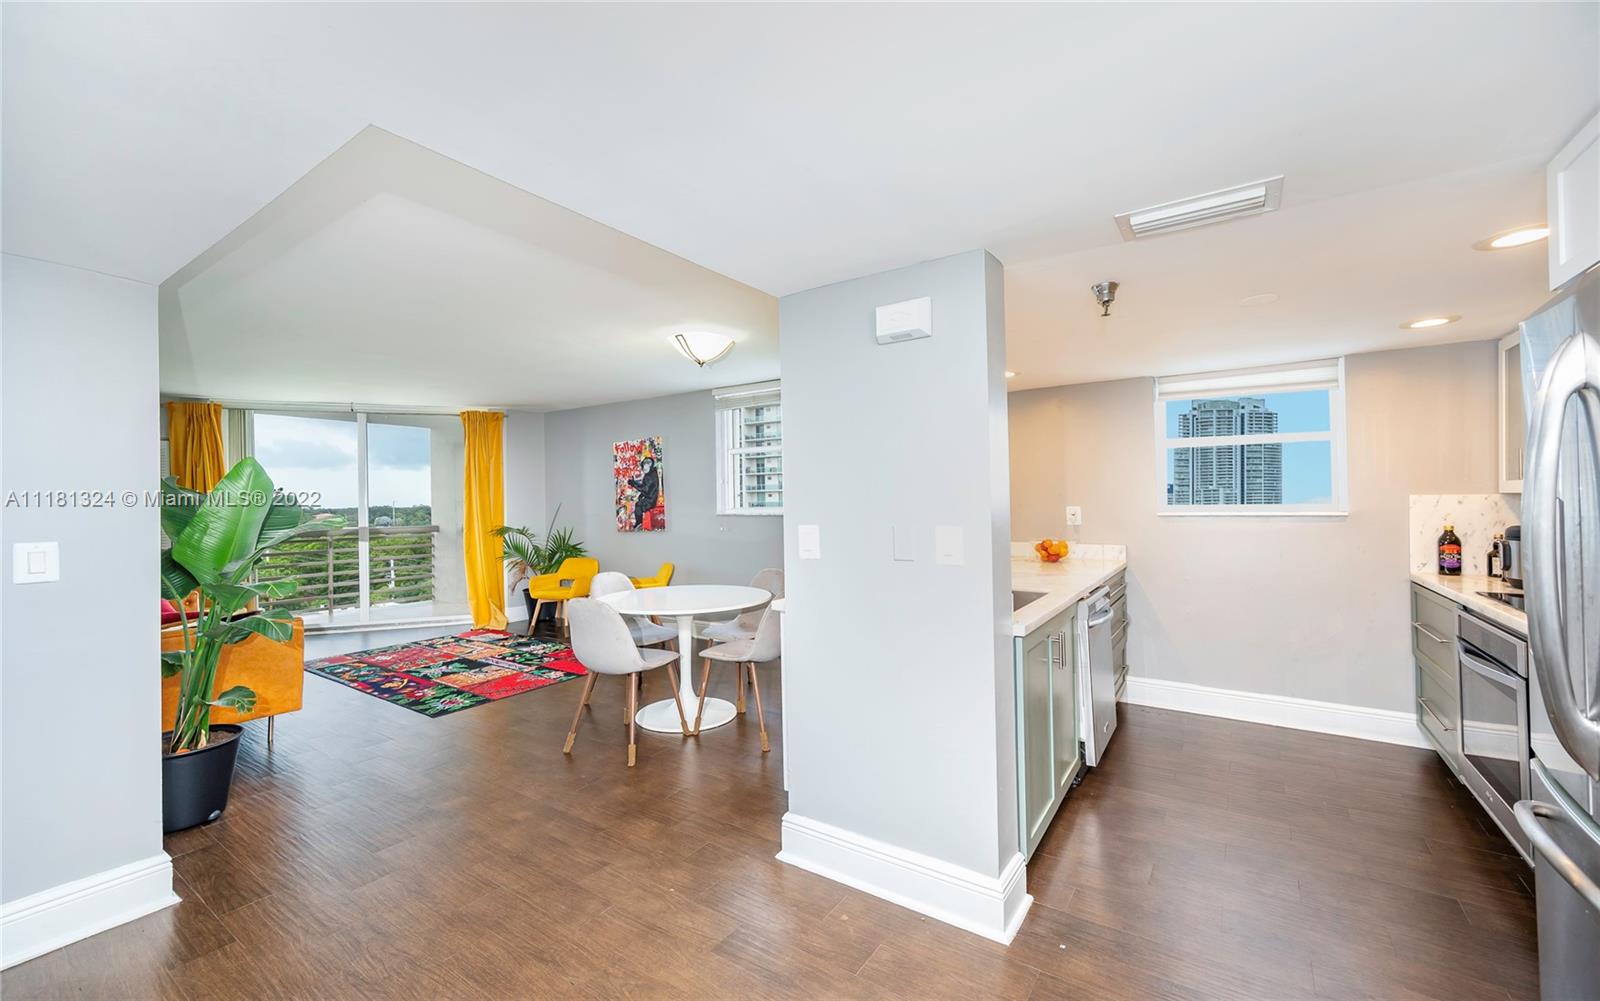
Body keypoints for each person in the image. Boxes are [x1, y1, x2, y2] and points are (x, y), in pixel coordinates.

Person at [629, 456, 660, 530]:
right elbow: (648, 488)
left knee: (638, 505)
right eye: (644, 464)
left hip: (651, 500)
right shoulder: (651, 473)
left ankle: (639, 523)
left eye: (647, 464)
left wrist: (633, 483)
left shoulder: (650, 476)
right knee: (639, 500)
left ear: (651, 465)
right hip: (651, 496)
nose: (644, 467)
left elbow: (645, 489)